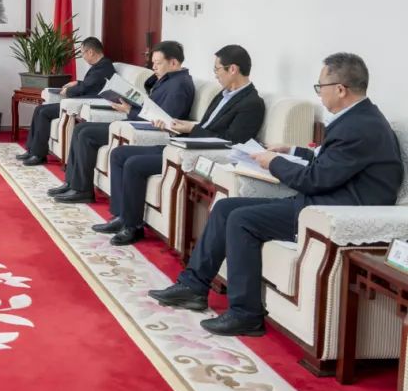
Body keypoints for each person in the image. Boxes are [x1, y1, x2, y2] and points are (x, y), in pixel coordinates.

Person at [150, 53, 403, 336]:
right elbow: (332, 161)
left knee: (241, 220)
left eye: (320, 87)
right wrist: (291, 151)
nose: (319, 94)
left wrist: (274, 163)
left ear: (341, 89)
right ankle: (193, 286)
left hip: (333, 212)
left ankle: (245, 314)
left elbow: (315, 180)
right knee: (225, 208)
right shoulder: (360, 118)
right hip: (323, 201)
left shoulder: (359, 127)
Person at [95, 45, 266, 245]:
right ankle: (121, 216)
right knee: (119, 154)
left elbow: (232, 141)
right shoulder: (223, 94)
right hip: (184, 143)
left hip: (197, 154)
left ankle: (133, 227)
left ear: (233, 69)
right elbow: (206, 126)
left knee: (134, 164)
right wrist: (179, 126)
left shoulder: (252, 103)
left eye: (217, 69)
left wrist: (191, 129)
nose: (215, 74)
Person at [51, 40, 195, 203]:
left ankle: (82, 190)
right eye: (153, 63)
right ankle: (71, 183)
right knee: (80, 129)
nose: (154, 67)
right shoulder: (169, 79)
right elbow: (152, 106)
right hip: (135, 121)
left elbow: (164, 120)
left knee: (86, 134)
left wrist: (129, 110)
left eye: (158, 63)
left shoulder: (180, 85)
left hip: (144, 129)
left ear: (174, 63)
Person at [17, 37, 114, 166]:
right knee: (39, 109)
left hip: (83, 105)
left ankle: (39, 155)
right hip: (80, 102)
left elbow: (86, 87)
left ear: (90, 52)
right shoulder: (101, 66)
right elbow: (91, 84)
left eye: (83, 53)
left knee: (44, 112)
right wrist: (77, 82)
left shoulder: (104, 67)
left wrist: (68, 92)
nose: (83, 56)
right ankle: (31, 149)